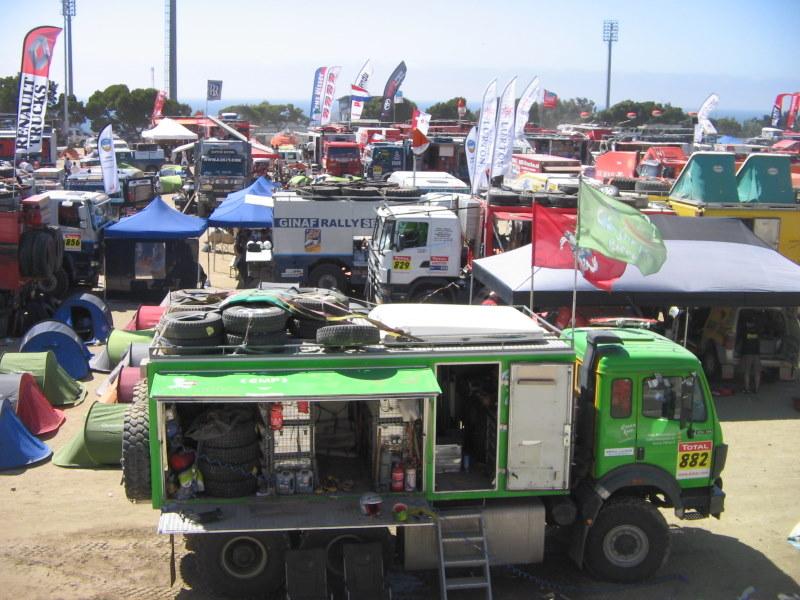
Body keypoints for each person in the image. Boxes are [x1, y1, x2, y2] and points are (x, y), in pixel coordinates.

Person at [739, 316, 762, 393]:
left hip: (747, 353)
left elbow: (741, 341)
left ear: (748, 324)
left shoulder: (744, 332)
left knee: (747, 372)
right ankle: (756, 389)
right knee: (757, 372)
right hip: (756, 354)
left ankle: (747, 389)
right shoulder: (757, 332)